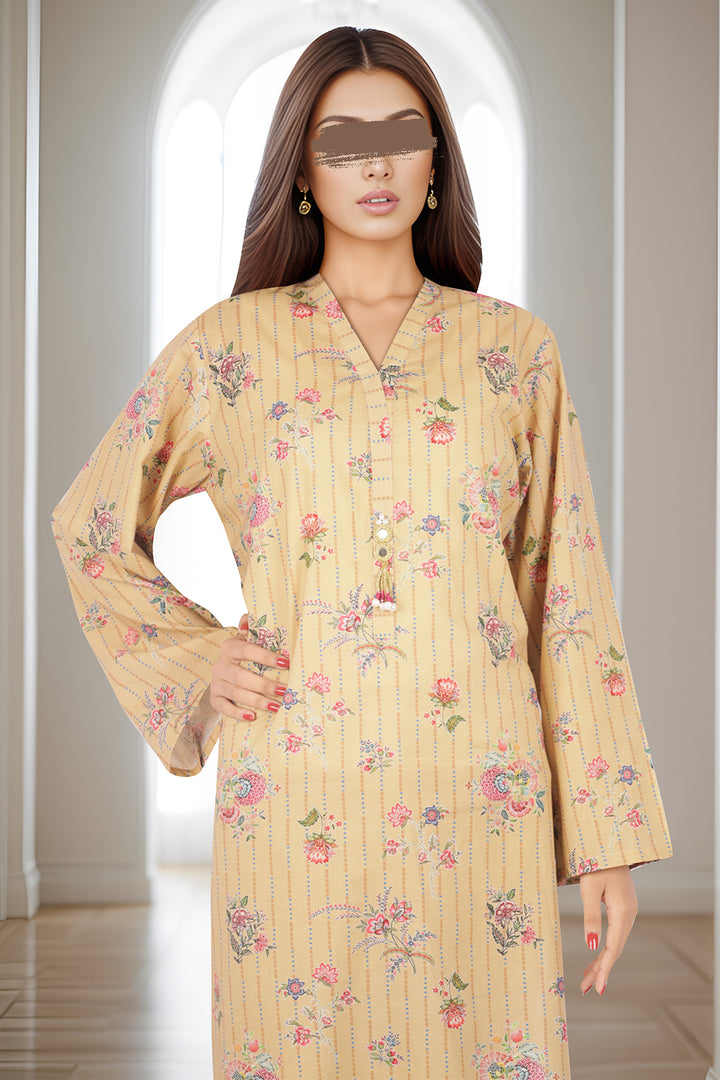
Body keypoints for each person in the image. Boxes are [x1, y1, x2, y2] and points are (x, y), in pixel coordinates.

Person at [51, 25, 672, 1080]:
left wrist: (606, 839)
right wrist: (200, 659)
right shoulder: (229, 349)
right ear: (302, 167)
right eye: (344, 139)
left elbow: (565, 596)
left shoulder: (514, 353)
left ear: (436, 161)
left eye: (402, 133)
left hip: (484, 796)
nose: (375, 163)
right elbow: (90, 527)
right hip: (297, 793)